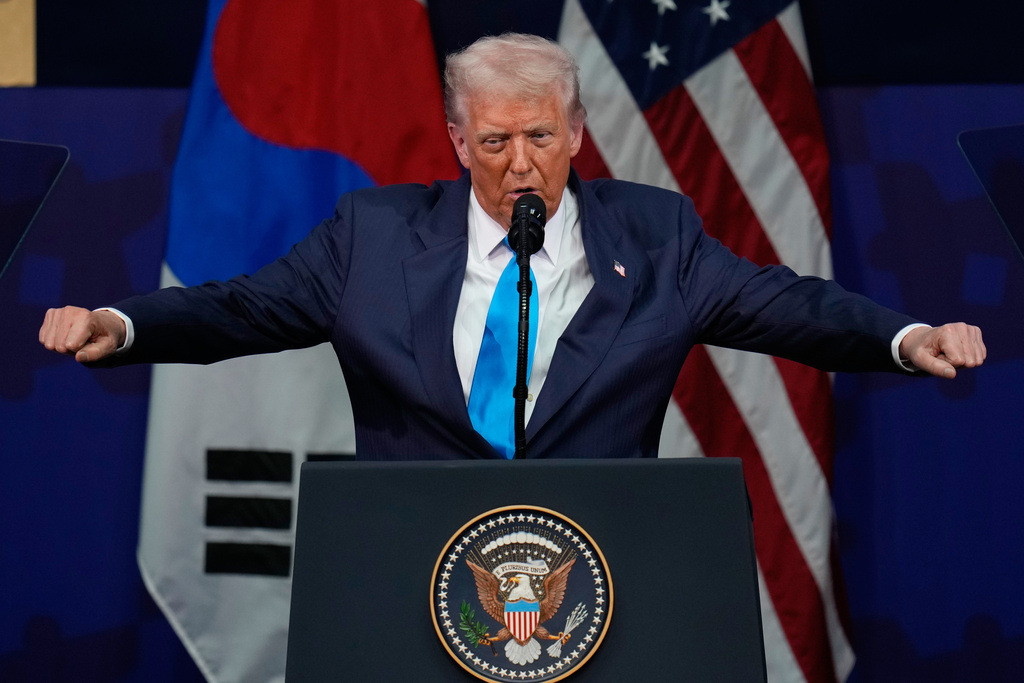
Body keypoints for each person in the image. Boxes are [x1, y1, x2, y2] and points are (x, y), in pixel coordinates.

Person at [39, 33, 985, 460]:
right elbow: (239, 307)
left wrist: (906, 339)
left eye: (541, 138)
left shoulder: (655, 236)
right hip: (414, 581)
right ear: (459, 142)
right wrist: (122, 323)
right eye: (495, 142)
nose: (521, 164)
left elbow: (789, 305)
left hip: (604, 582)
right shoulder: (372, 235)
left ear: (576, 132)